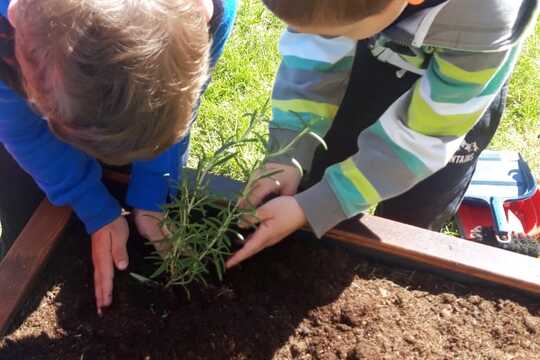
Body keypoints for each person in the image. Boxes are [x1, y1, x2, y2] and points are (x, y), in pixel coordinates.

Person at [226, 0, 538, 268]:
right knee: (321, 171)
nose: (325, 36)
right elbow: (315, 53)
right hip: (372, 49)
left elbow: (424, 138)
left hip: (457, 90)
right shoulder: (347, 10)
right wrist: (291, 151)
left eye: (335, 32)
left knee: (410, 221)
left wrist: (322, 203)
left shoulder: (486, 20)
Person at [0, 0, 237, 313]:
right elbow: (23, 132)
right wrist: (92, 206)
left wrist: (153, 191)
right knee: (24, 207)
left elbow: (173, 108)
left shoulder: (210, 14)